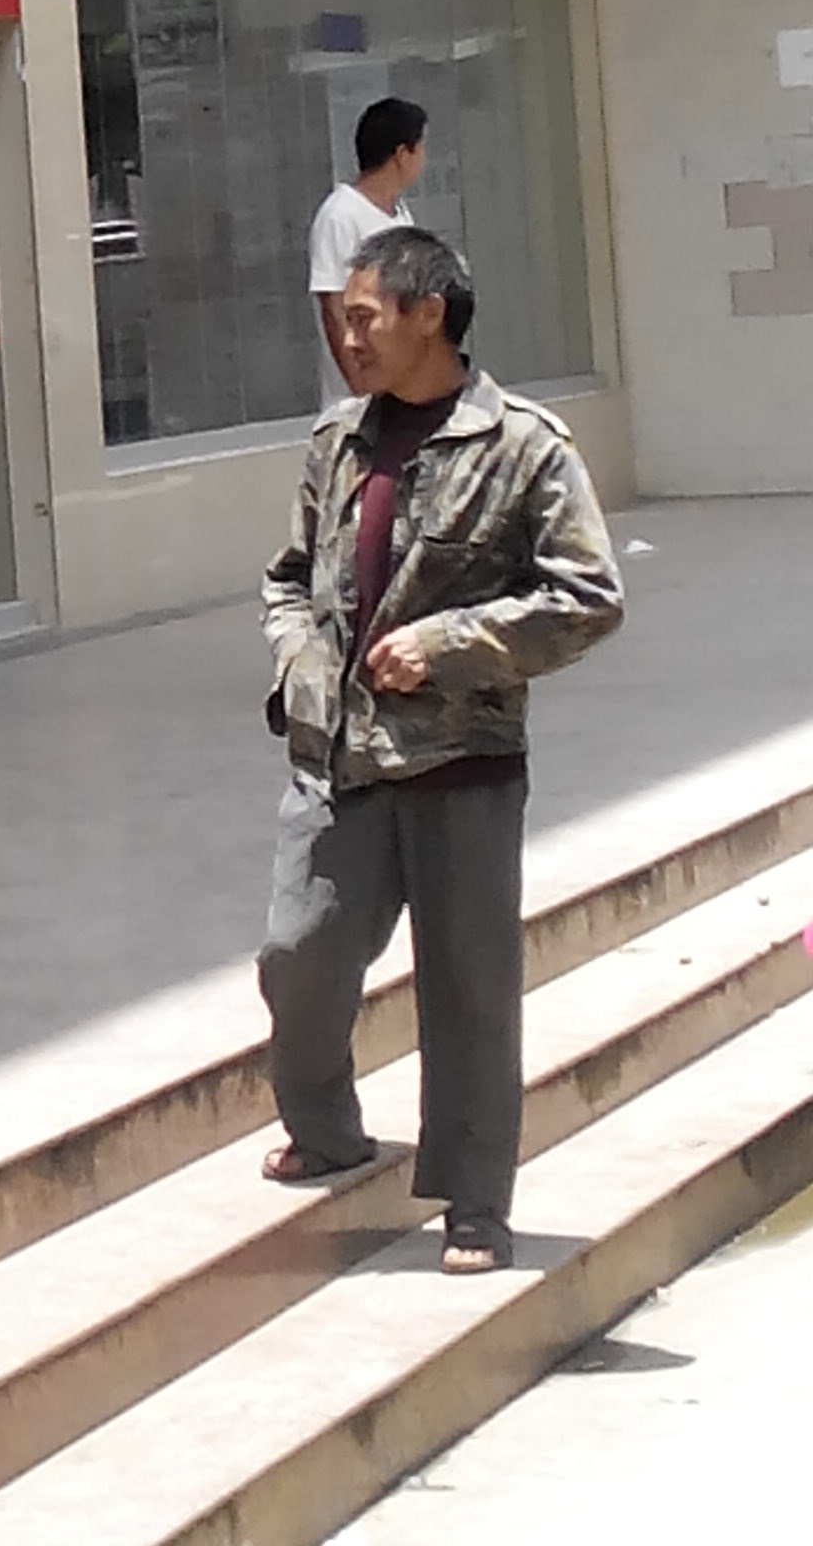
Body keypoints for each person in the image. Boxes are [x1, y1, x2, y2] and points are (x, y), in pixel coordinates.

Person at [257, 223, 624, 1276]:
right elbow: (288, 579)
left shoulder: (525, 447)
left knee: (469, 988)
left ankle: (474, 1202)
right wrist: (300, 665)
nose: (347, 338)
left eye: (364, 317)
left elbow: (589, 597)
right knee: (300, 955)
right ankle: (327, 1127)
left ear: (429, 315)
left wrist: (451, 645)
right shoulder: (338, 441)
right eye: (343, 320)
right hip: (338, 757)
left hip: (463, 763)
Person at [307, 98, 426, 412]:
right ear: (401, 154)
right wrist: (362, 388)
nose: (423, 158)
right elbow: (333, 307)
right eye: (420, 148)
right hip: (359, 402)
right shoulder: (340, 215)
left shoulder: (400, 214)